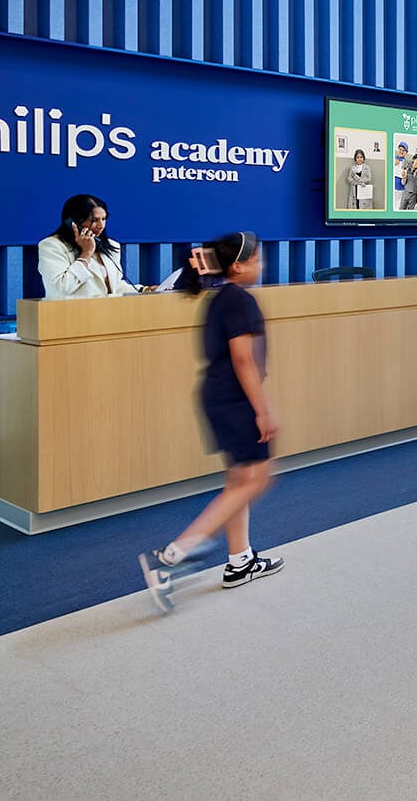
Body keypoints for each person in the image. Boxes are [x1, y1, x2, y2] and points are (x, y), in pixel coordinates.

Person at [138, 232, 283, 611]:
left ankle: (240, 562)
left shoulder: (220, 298)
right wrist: (262, 410)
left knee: (239, 479)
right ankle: (170, 557)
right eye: (257, 260)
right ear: (239, 265)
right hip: (235, 399)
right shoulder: (241, 300)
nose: (261, 266)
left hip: (216, 396)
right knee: (258, 478)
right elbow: (243, 359)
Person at [38, 193, 144, 298]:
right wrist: (86, 254)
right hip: (70, 312)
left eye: (103, 219)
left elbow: (113, 286)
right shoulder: (51, 246)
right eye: (94, 220)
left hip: (106, 312)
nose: (101, 226)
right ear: (73, 222)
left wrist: (143, 290)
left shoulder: (112, 245)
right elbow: (63, 286)